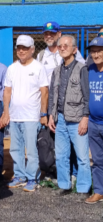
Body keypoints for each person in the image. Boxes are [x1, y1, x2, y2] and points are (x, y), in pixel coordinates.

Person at [37, 21, 85, 184]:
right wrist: (46, 112)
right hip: (52, 106)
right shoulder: (41, 55)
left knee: (74, 145)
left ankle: (76, 175)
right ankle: (56, 173)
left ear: (59, 34)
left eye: (52, 33)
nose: (49, 36)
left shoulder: (70, 51)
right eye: (46, 33)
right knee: (56, 144)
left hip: (72, 107)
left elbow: (82, 77)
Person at [2, 35, 49, 192]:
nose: (21, 51)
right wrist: (6, 112)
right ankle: (20, 176)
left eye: (25, 48)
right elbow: (7, 91)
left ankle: (32, 178)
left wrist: (43, 114)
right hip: (15, 116)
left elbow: (44, 92)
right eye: (19, 48)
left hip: (31, 117)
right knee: (15, 149)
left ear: (32, 49)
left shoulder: (38, 67)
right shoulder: (12, 68)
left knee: (31, 150)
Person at [48, 35, 92, 200]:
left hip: (77, 120)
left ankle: (83, 188)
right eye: (60, 46)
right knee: (61, 155)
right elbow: (53, 94)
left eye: (66, 45)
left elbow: (87, 96)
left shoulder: (82, 69)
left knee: (81, 157)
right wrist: (51, 116)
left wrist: (85, 117)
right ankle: (64, 185)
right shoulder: (56, 70)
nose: (62, 48)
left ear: (74, 49)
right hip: (60, 120)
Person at [85, 37, 103, 204]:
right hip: (93, 122)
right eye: (93, 51)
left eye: (100, 50)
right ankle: (99, 191)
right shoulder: (89, 70)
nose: (96, 54)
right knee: (97, 160)